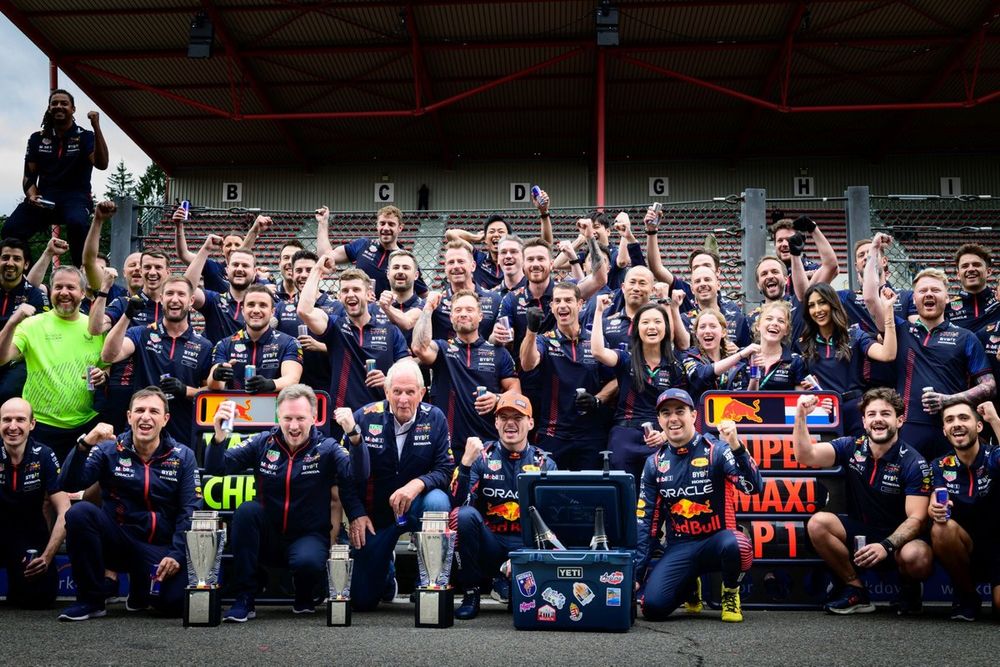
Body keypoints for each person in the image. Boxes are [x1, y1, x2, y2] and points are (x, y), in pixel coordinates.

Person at [206, 384, 364, 621]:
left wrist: (354, 435)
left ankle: (303, 593)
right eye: (287, 418)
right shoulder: (262, 442)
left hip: (308, 536)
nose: (293, 426)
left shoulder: (328, 448)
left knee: (307, 562)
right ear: (278, 416)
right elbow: (216, 468)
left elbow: (358, 474)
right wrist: (218, 437)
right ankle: (245, 598)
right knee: (246, 512)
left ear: (314, 417)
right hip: (269, 536)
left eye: (300, 418)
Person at [57, 388, 201, 620]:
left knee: (174, 604)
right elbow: (69, 483)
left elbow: (189, 510)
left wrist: (176, 554)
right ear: (129, 417)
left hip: (158, 548)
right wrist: (85, 444)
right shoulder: (108, 450)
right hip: (117, 541)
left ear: (165, 419)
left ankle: (141, 588)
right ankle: (91, 601)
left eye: (154, 411)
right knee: (80, 513)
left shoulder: (183, 456)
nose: (146, 416)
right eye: (140, 410)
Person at [793, 389, 933, 615]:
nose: (878, 419)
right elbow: (806, 456)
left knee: (916, 556)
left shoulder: (913, 462)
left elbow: (917, 519)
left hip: (900, 543)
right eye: (872, 414)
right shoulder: (852, 446)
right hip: (862, 535)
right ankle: (855, 589)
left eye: (886, 414)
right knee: (818, 524)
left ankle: (909, 589)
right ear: (864, 421)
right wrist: (800, 415)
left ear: (899, 420)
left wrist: (886, 545)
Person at [334, 359, 454, 611]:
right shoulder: (364, 418)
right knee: (361, 602)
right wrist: (356, 514)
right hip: (377, 517)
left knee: (438, 501)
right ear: (386, 391)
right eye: (397, 392)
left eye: (410, 392)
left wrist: (417, 484)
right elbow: (345, 476)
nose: (403, 399)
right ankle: (385, 572)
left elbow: (445, 469)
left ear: (422, 393)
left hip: (418, 505)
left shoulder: (436, 418)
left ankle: (429, 585)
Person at [635, 389, 761, 622]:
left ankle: (730, 593)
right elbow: (647, 523)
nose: (673, 418)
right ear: (660, 421)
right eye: (666, 413)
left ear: (693, 415)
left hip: (717, 541)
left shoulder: (718, 451)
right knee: (652, 608)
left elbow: (752, 488)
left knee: (739, 544)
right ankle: (690, 586)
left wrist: (736, 445)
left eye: (680, 411)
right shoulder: (654, 464)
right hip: (680, 546)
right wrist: (637, 575)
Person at [864, 235, 995, 459]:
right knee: (910, 489)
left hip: (953, 428)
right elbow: (869, 298)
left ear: (947, 296)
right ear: (913, 299)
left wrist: (949, 400)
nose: (929, 294)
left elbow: (989, 386)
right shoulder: (900, 329)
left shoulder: (965, 337)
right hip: (909, 426)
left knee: (948, 492)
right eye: (923, 291)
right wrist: (874, 249)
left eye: (935, 290)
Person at [451, 391, 558, 619]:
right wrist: (465, 464)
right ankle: (471, 592)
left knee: (523, 610)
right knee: (463, 516)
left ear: (530, 423)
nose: (510, 423)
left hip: (527, 548)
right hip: (490, 545)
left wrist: (523, 556)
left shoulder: (545, 463)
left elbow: (553, 522)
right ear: (496, 422)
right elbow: (457, 504)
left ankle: (510, 583)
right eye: (504, 417)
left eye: (517, 418)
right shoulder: (481, 457)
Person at [0, 266, 107, 460]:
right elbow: (2, 358)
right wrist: (12, 322)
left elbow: (107, 364)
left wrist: (104, 374)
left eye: (70, 287)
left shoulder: (95, 327)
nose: (64, 292)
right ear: (50, 291)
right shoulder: (31, 324)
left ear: (83, 293)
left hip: (84, 425)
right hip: (40, 426)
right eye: (58, 287)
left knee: (77, 488)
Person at [297, 260, 409, 438]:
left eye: (356, 290)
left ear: (368, 294)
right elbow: (304, 311)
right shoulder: (335, 325)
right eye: (345, 291)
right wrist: (318, 270)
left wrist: (389, 380)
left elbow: (408, 370)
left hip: (383, 418)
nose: (350, 294)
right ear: (339, 297)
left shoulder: (390, 330)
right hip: (341, 418)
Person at [99, 276, 213, 447]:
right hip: (142, 429)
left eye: (181, 294)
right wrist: (127, 315)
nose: (175, 299)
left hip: (182, 432)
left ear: (191, 301)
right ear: (161, 299)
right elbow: (108, 356)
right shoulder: (141, 333)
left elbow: (209, 392)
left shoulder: (204, 345)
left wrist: (184, 390)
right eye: (169, 294)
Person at [2, 90, 108, 266]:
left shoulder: (85, 136)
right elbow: (29, 176)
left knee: (77, 224)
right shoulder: (37, 138)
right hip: (46, 198)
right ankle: (26, 275)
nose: (59, 106)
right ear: (49, 108)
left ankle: (80, 275)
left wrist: (96, 126)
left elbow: (101, 164)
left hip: (76, 197)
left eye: (64, 103)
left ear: (73, 109)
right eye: (55, 103)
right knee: (11, 229)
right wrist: (32, 196)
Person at [591, 298, 689, 486]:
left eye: (657, 322)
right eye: (645, 322)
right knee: (623, 495)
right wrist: (598, 312)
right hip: (624, 435)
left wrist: (665, 435)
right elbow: (597, 352)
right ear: (637, 328)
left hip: (658, 437)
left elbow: (681, 409)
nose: (651, 327)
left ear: (666, 328)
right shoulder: (626, 358)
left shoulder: (675, 367)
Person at [412, 289, 518, 458]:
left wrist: (498, 398)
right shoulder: (442, 349)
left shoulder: (499, 352)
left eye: (469, 310)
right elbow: (419, 347)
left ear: (481, 316)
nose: (463, 314)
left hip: (488, 446)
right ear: (451, 317)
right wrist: (428, 308)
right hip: (447, 446)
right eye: (458, 310)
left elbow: (516, 392)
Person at [519, 281, 614, 470]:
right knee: (551, 495)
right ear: (552, 307)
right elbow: (527, 364)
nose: (562, 305)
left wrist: (598, 399)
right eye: (557, 301)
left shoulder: (594, 340)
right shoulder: (544, 340)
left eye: (568, 300)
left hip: (591, 435)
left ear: (580, 304)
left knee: (590, 495)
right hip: (553, 434)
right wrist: (531, 330)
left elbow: (616, 379)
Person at [928, 400, 1000, 621]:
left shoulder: (993, 456)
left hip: (998, 546)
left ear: (979, 426)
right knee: (941, 529)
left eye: (964, 418)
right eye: (950, 420)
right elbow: (937, 492)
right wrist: (934, 508)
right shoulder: (940, 465)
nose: (956, 424)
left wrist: (995, 420)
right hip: (965, 546)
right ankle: (967, 596)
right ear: (944, 431)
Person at [799, 283, 898, 437]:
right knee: (827, 460)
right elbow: (798, 385)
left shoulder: (854, 335)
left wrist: (888, 311)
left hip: (855, 410)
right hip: (824, 412)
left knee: (858, 459)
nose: (817, 310)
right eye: (812, 305)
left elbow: (888, 354)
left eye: (822, 302)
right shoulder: (805, 342)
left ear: (833, 304)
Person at [0, 397, 70, 609]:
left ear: (32, 424)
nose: (13, 427)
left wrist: (47, 557)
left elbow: (65, 510)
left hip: (30, 535)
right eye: (6, 420)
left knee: (39, 599)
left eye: (20, 420)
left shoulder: (45, 455)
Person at [497, 230, 607, 358]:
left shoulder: (566, 291)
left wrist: (589, 238)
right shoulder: (511, 299)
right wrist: (498, 335)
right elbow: (498, 338)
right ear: (523, 265)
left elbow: (600, 279)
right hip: (526, 371)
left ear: (551, 264)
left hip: (563, 370)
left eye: (541, 259)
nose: (536, 264)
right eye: (530, 259)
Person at [317, 204, 429, 297]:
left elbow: (423, 294)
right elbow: (325, 256)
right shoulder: (362, 245)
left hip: (389, 316)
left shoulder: (405, 260)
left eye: (391, 224)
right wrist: (323, 222)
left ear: (400, 228)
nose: (386, 228)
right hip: (359, 312)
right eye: (382, 223)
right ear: (377, 226)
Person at [208, 285, 303, 394]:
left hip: (275, 409)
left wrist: (269, 384)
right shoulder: (224, 345)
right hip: (237, 409)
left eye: (263, 305)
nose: (256, 310)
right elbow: (215, 385)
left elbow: (292, 379)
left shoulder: (289, 343)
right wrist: (217, 375)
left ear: (272, 312)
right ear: (243, 311)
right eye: (251, 305)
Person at [174, 206, 268, 293]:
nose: (233, 248)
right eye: (228, 245)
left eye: (237, 244)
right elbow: (183, 254)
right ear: (221, 249)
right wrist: (179, 227)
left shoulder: (251, 271)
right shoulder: (212, 267)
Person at [0, 238, 49, 403]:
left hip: (17, 361)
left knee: (6, 392)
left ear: (26, 265)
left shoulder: (35, 296)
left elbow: (38, 339)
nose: (10, 263)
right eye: (5, 257)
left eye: (16, 258)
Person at [185, 235, 258, 343]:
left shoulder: (263, 303)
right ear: (227, 270)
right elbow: (186, 290)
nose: (239, 269)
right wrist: (205, 249)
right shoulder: (214, 300)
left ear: (255, 272)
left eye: (245, 266)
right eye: (235, 265)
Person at [681, 309, 758, 406]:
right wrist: (740, 355)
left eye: (713, 326)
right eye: (702, 327)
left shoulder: (739, 362)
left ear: (723, 332)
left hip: (732, 418)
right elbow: (701, 376)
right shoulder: (689, 356)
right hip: (702, 419)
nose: (707, 331)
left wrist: (755, 374)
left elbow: (747, 398)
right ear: (696, 334)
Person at [729, 300, 809, 391]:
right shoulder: (743, 355)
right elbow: (739, 400)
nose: (774, 323)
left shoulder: (796, 361)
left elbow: (798, 400)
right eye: (769, 319)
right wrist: (755, 375)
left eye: (781, 321)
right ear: (758, 326)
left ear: (786, 330)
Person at [428, 240, 500, 341]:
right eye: (451, 262)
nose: (456, 266)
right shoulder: (435, 302)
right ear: (445, 269)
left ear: (473, 266)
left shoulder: (494, 299)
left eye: (461, 261)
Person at [682, 265, 751, 347]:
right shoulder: (684, 320)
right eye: (697, 281)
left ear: (718, 285)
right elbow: (681, 355)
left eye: (707, 280)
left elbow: (749, 354)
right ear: (692, 290)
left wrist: (738, 352)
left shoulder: (737, 318)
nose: (703, 284)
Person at [445, 214, 511, 290]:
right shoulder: (478, 258)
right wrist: (476, 237)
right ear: (485, 239)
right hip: (481, 300)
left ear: (509, 238)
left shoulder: (515, 260)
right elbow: (450, 234)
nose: (496, 235)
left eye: (501, 231)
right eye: (491, 231)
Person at [946, 243, 1000, 333]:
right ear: (958, 274)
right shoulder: (946, 308)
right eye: (965, 266)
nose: (970, 269)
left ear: (988, 271)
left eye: (976, 264)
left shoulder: (998, 302)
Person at [376, 249, 424, 346]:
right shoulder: (374, 309)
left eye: (406, 268)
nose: (400, 271)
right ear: (388, 274)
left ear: (416, 275)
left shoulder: (426, 307)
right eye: (396, 267)